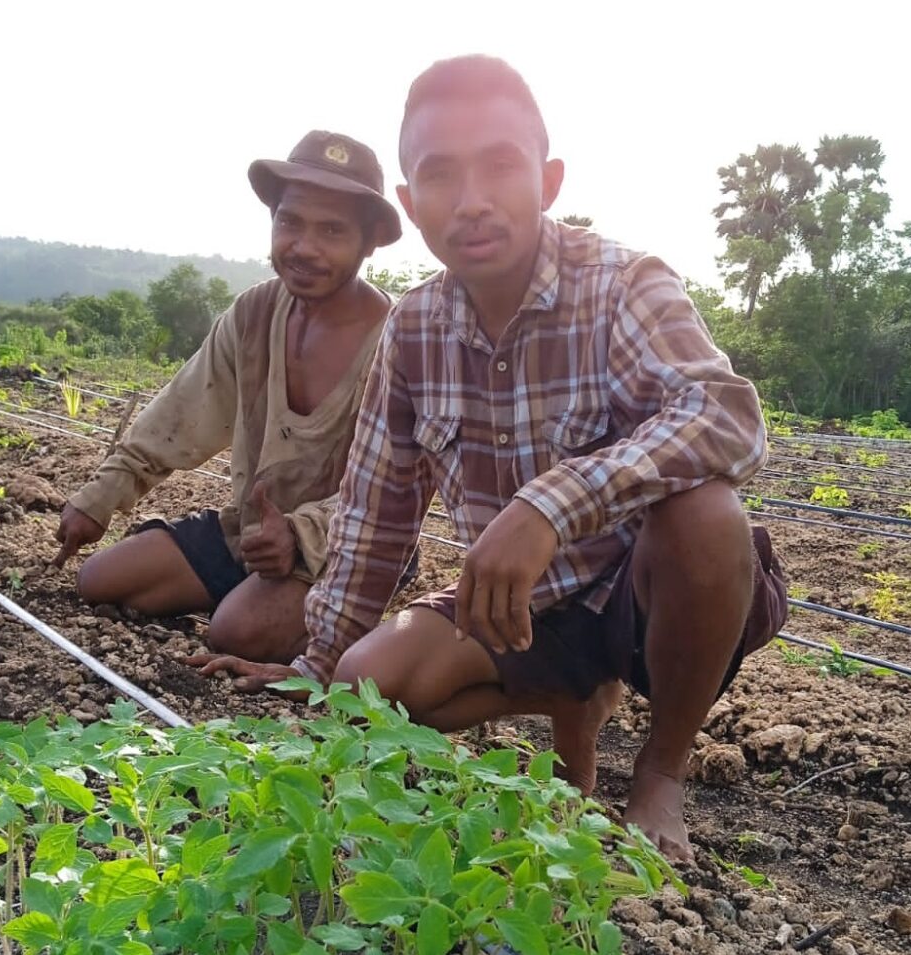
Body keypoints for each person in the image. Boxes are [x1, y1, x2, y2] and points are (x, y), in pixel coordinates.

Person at [199, 57, 787, 862]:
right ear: (410, 203)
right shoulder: (413, 330)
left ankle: (658, 774)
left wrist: (552, 502)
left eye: (500, 167)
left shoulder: (623, 284)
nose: (471, 200)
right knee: (367, 687)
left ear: (546, 181)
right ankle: (574, 694)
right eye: (440, 175)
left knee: (707, 513)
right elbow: (376, 517)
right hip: (520, 607)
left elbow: (725, 416)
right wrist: (315, 665)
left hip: (643, 592)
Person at [52, 130, 402, 664]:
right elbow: (179, 414)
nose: (304, 248)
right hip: (254, 532)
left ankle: (306, 613)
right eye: (290, 223)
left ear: (371, 239)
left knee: (236, 633)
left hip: (350, 545)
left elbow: (394, 493)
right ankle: (259, 595)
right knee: (100, 580)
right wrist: (99, 499)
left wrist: (302, 533)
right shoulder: (255, 314)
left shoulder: (400, 341)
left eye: (331, 230)